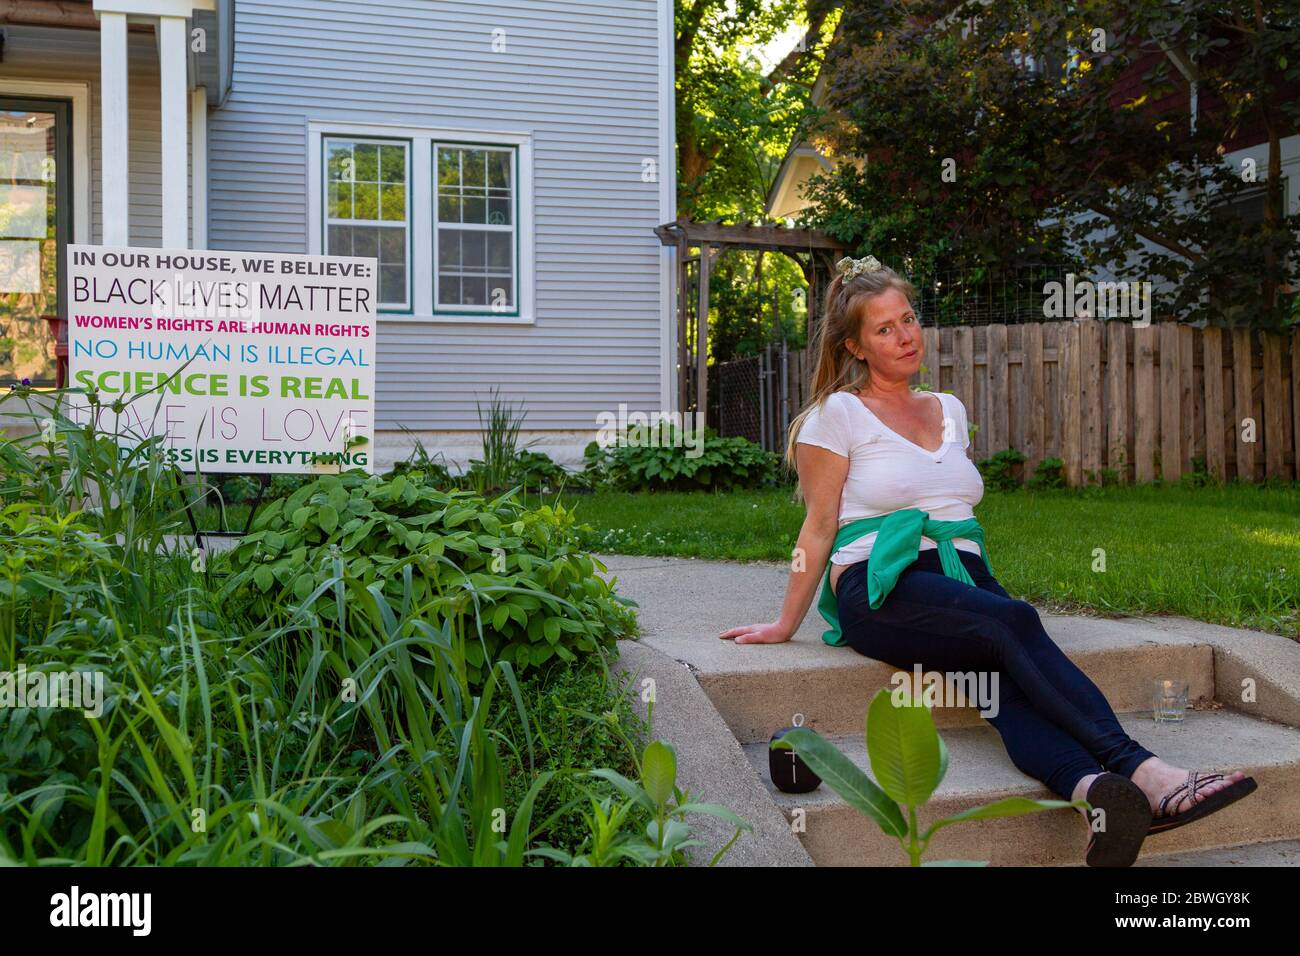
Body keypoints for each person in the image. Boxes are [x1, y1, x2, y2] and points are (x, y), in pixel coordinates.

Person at [719, 254, 1257, 867]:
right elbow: (818, 528)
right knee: (1017, 623)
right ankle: (1150, 774)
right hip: (880, 583)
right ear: (856, 347)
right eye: (885, 328)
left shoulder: (948, 409)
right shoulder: (835, 415)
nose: (905, 336)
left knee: (1002, 689)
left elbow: (950, 508)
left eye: (909, 318)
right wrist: (784, 624)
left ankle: (1095, 795)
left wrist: (974, 587)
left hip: (962, 580)